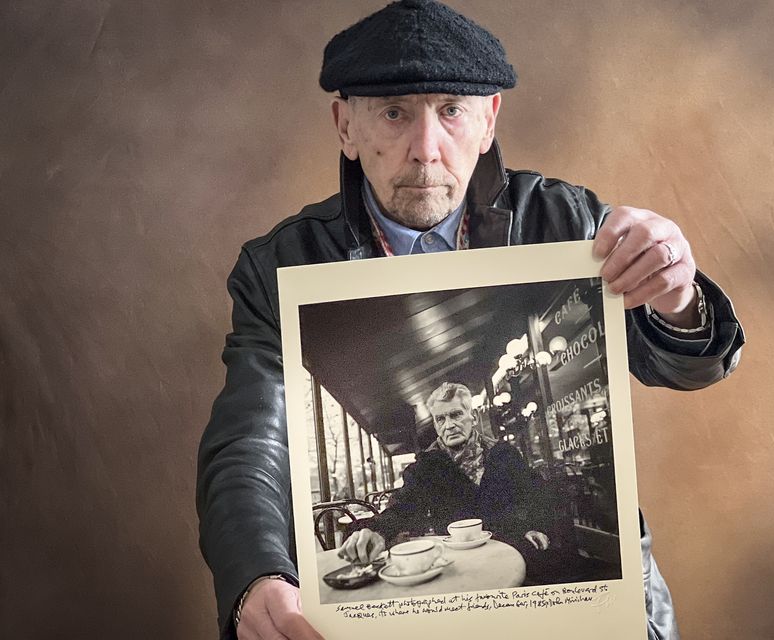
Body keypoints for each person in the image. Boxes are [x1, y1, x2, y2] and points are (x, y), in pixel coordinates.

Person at [196, 1, 745, 639]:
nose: (426, 151)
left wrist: (676, 293)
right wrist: (257, 574)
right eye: (394, 112)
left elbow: (686, 367)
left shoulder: (567, 224)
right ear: (346, 125)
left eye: (451, 111)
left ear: (488, 122)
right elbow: (249, 445)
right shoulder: (281, 267)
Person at [338, 382, 554, 574]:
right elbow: (402, 508)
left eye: (456, 415)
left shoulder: (504, 454)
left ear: (473, 417)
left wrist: (535, 525)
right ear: (435, 424)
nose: (449, 425)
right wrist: (377, 531)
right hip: (457, 563)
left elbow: (534, 495)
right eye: (440, 419)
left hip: (509, 550)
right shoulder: (425, 466)